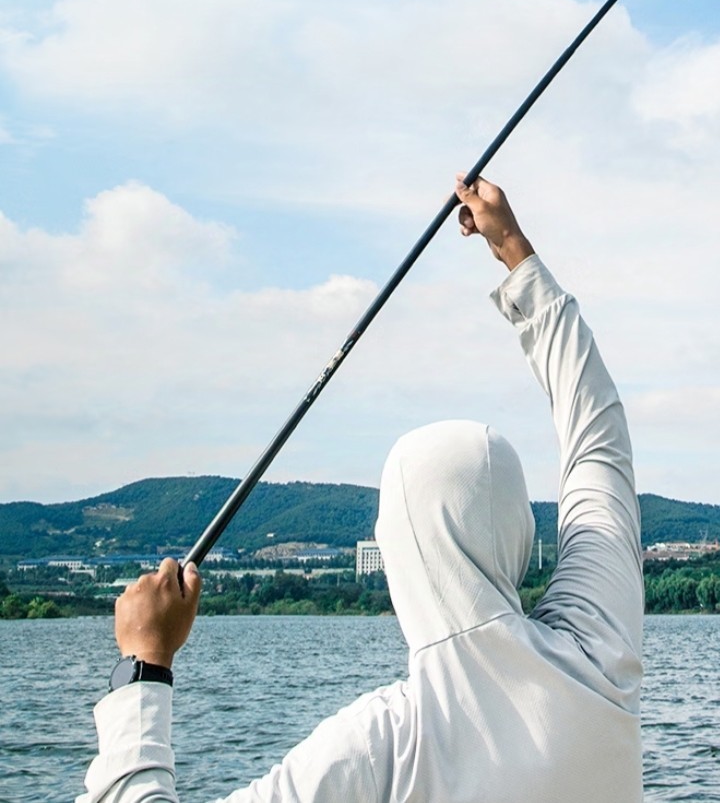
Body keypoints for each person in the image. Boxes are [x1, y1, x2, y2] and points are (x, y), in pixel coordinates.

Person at [80, 174, 644, 803]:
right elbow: (598, 435)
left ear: (396, 548)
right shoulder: (597, 644)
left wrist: (142, 667)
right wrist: (516, 251)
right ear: (520, 532)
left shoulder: (382, 745)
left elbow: (600, 437)